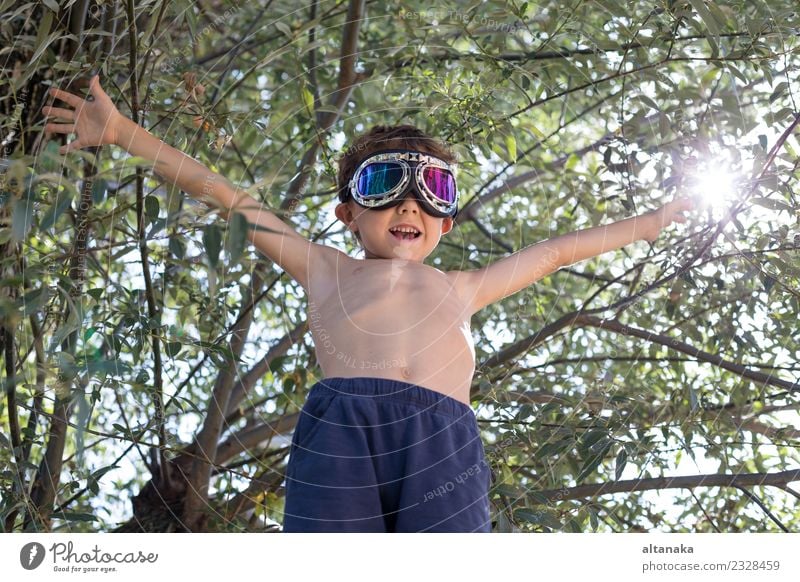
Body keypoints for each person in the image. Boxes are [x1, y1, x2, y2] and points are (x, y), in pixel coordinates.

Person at [42, 74, 693, 532]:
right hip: (342, 430)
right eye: (386, 183)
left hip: (443, 438)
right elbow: (234, 199)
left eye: (432, 189)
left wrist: (652, 224)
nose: (409, 203)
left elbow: (554, 252)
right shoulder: (324, 268)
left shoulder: (464, 287)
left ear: (447, 221)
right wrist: (123, 131)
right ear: (347, 212)